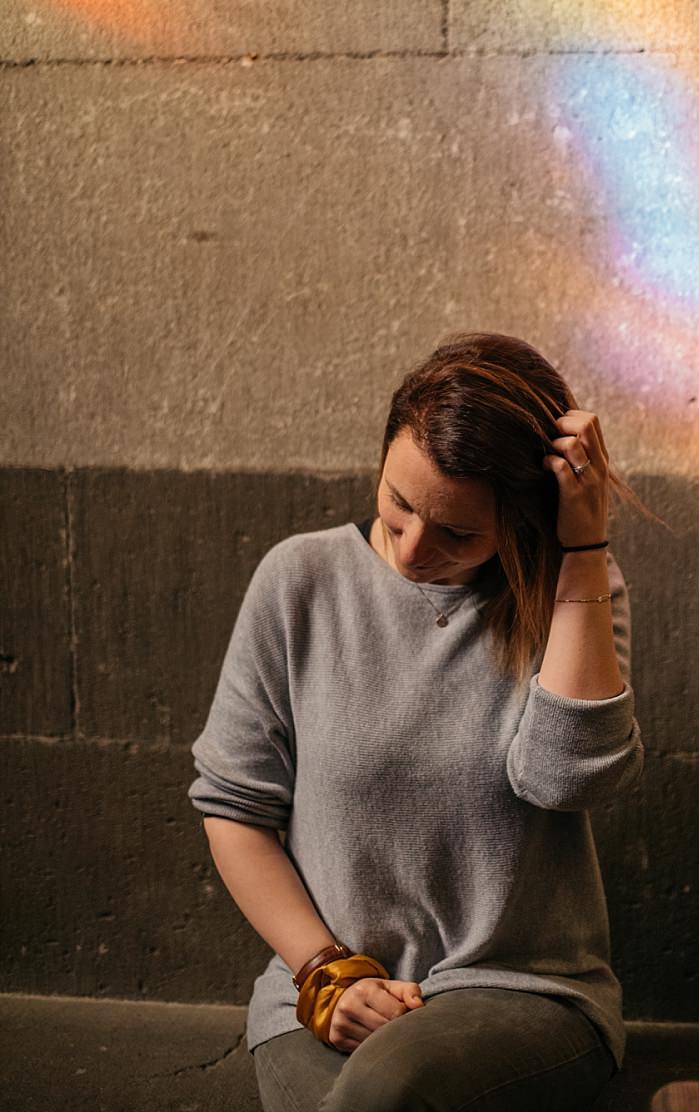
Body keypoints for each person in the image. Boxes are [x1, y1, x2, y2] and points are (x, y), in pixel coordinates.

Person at [189, 334, 643, 1112]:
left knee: (385, 1097)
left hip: (519, 993)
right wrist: (327, 973)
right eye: (398, 503)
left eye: (459, 533)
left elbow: (566, 779)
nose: (412, 550)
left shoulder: (573, 593)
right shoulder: (299, 581)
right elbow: (234, 810)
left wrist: (583, 547)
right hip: (322, 991)